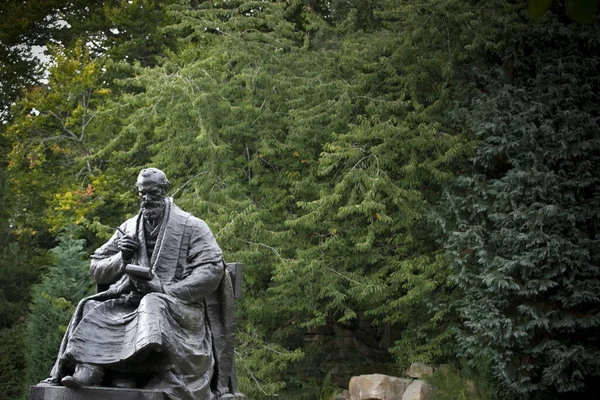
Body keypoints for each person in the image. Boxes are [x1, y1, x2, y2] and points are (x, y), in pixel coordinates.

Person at [42, 168, 237, 400]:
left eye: (152, 193)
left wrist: (166, 290)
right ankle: (92, 368)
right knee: (91, 306)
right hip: (131, 302)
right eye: (141, 194)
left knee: (153, 305)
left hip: (179, 307)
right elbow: (96, 267)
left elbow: (212, 267)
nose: (146, 199)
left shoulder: (192, 226)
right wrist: (121, 258)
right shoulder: (129, 228)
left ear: (164, 191)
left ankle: (139, 373)